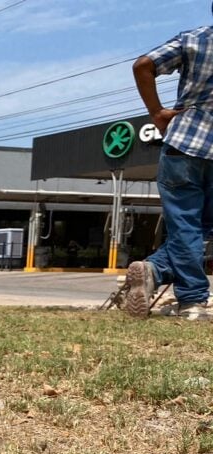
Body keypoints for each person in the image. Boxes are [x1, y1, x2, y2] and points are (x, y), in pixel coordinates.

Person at [128, 7, 213, 319]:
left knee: (188, 225)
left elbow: (143, 65)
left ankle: (153, 269)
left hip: (183, 143)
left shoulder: (195, 39)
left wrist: (156, 112)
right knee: (199, 227)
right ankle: (192, 300)